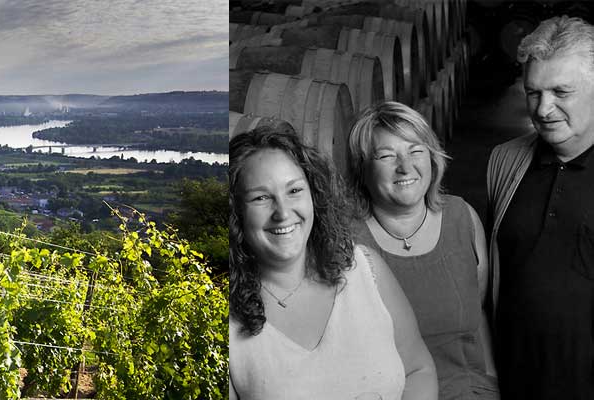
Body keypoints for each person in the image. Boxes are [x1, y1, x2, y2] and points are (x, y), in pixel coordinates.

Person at [228, 126, 436, 400]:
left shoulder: (366, 269)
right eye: (261, 198)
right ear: (236, 213)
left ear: (314, 195)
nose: (282, 213)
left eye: (294, 190)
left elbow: (418, 370)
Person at [347, 101, 499, 399]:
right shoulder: (347, 240)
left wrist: (490, 383)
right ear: (362, 170)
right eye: (387, 156)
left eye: (415, 151)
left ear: (432, 159)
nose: (405, 167)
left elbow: (477, 313)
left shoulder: (463, 217)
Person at [486, 15, 594, 398]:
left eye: (561, 92)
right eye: (534, 92)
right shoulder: (505, 162)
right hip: (516, 382)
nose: (544, 110)